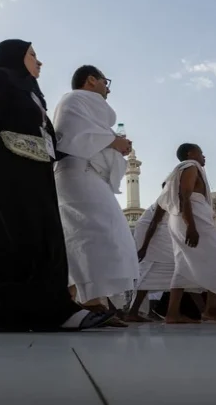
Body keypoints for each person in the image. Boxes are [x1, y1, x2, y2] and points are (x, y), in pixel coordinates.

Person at [0, 39, 112, 332]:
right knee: (14, 232)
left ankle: (14, 313)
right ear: (14, 56)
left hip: (34, 169)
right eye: (32, 55)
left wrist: (101, 145)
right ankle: (37, 313)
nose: (39, 61)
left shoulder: (33, 94)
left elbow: (48, 141)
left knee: (27, 237)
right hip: (2, 162)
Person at [52, 65, 138, 324]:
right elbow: (71, 134)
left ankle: (91, 300)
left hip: (89, 175)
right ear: (91, 80)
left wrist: (115, 144)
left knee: (99, 235)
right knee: (91, 235)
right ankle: (89, 302)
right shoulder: (74, 100)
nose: (107, 88)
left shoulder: (86, 106)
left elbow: (90, 135)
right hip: (78, 172)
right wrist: (113, 141)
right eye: (104, 81)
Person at [157, 144, 216, 323]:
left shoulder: (187, 169)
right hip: (192, 219)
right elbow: (184, 195)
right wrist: (191, 226)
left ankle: (172, 313)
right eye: (201, 152)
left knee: (183, 266)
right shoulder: (191, 166)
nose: (204, 156)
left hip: (183, 218)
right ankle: (211, 309)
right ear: (190, 153)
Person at [125, 184, 176, 323]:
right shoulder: (167, 198)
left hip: (157, 233)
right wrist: (144, 247)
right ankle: (134, 311)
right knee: (153, 269)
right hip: (150, 234)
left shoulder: (175, 199)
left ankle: (137, 311)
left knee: (164, 270)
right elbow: (154, 222)